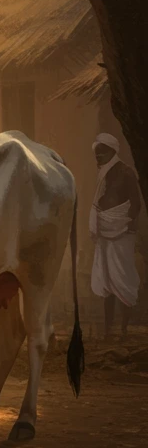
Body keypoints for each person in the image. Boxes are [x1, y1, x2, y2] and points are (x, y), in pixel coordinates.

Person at [91, 133, 141, 338]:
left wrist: (125, 224)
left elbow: (135, 204)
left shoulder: (126, 172)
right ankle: (108, 328)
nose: (99, 157)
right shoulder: (103, 175)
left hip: (123, 234)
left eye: (102, 153)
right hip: (104, 234)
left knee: (124, 279)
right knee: (107, 281)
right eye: (97, 153)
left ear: (112, 152)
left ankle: (124, 329)